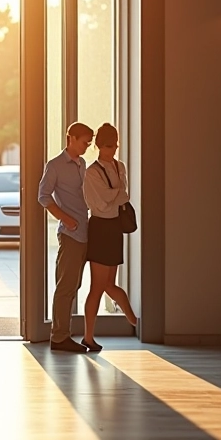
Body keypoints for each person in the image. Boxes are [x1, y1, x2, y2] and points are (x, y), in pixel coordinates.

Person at [81, 122, 138, 352]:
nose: (112, 150)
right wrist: (115, 196)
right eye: (107, 146)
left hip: (114, 227)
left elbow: (123, 196)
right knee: (97, 286)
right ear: (98, 145)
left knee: (108, 284)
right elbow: (102, 202)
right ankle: (89, 336)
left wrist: (113, 196)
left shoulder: (119, 166)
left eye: (115, 145)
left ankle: (132, 319)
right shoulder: (91, 172)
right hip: (99, 228)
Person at [38, 122, 94, 353]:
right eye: (84, 143)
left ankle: (63, 335)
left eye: (89, 144)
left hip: (86, 233)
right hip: (70, 234)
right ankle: (59, 337)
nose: (87, 147)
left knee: (74, 285)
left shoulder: (83, 164)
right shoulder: (55, 166)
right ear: (70, 138)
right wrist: (66, 219)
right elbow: (43, 196)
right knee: (65, 286)